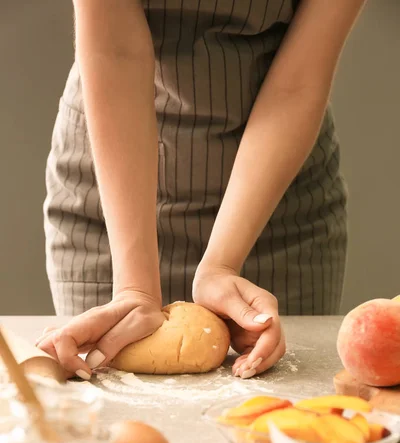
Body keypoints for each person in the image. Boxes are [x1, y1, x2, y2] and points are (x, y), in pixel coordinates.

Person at [38, 0, 366, 381]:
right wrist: (134, 287)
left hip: (278, 210)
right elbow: (116, 52)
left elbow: (297, 82)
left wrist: (222, 265)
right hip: (114, 202)